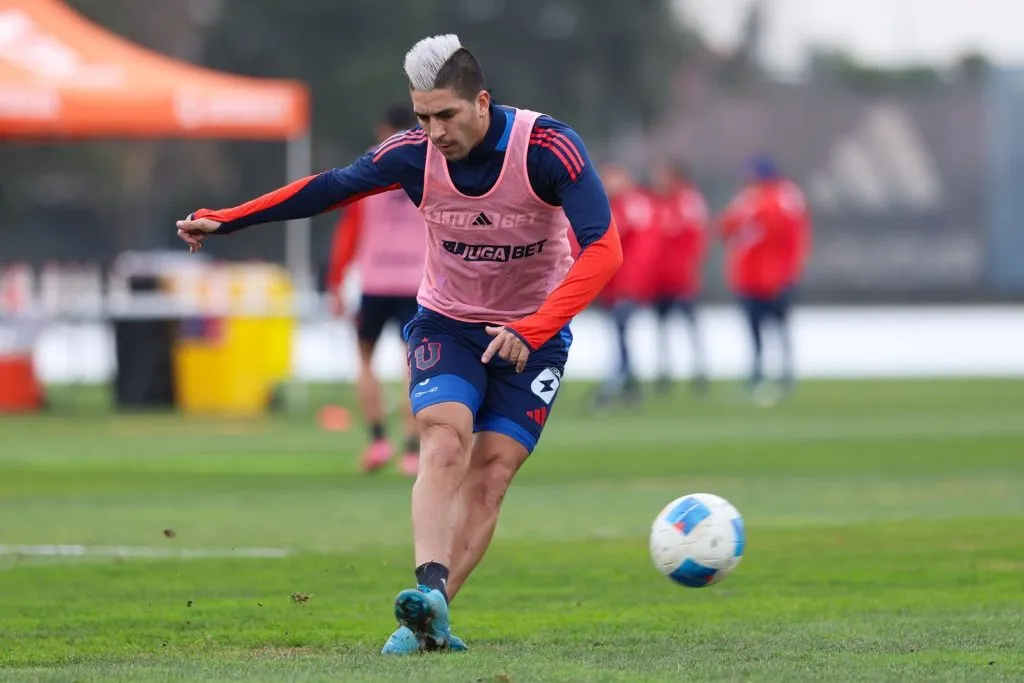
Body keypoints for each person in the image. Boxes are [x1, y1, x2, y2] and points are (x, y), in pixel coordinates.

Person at [175, 34, 622, 654]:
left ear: (482, 102)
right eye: (422, 117)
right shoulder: (412, 154)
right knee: (444, 438)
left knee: (492, 474)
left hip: (533, 333)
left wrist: (536, 326)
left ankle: (432, 618)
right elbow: (328, 188)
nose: (433, 131)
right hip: (448, 323)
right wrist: (230, 218)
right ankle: (428, 586)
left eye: (446, 115)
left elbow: (605, 248)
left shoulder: (547, 148)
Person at [326, 103, 426, 477]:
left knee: (365, 361)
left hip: (375, 280)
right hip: (418, 281)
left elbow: (349, 229)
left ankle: (378, 441)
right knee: (414, 366)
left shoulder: (370, 164)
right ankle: (412, 451)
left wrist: (336, 281)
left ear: (382, 129)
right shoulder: (430, 160)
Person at [717, 153, 811, 403]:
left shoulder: (786, 197)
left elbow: (789, 238)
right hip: (749, 277)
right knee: (754, 329)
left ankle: (784, 376)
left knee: (779, 327)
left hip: (776, 277)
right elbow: (726, 229)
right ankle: (758, 375)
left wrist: (785, 274)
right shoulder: (746, 199)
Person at [591, 163, 658, 408]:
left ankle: (615, 384)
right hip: (612, 285)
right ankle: (630, 387)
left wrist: (629, 285)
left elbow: (642, 250)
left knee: (620, 331)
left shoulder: (632, 206)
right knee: (619, 334)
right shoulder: (614, 205)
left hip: (626, 286)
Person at [648, 161, 710, 395]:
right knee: (661, 327)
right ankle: (664, 372)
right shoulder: (656, 203)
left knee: (690, 325)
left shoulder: (689, 202)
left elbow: (696, 240)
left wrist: (688, 269)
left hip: (682, 279)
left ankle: (699, 371)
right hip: (659, 278)